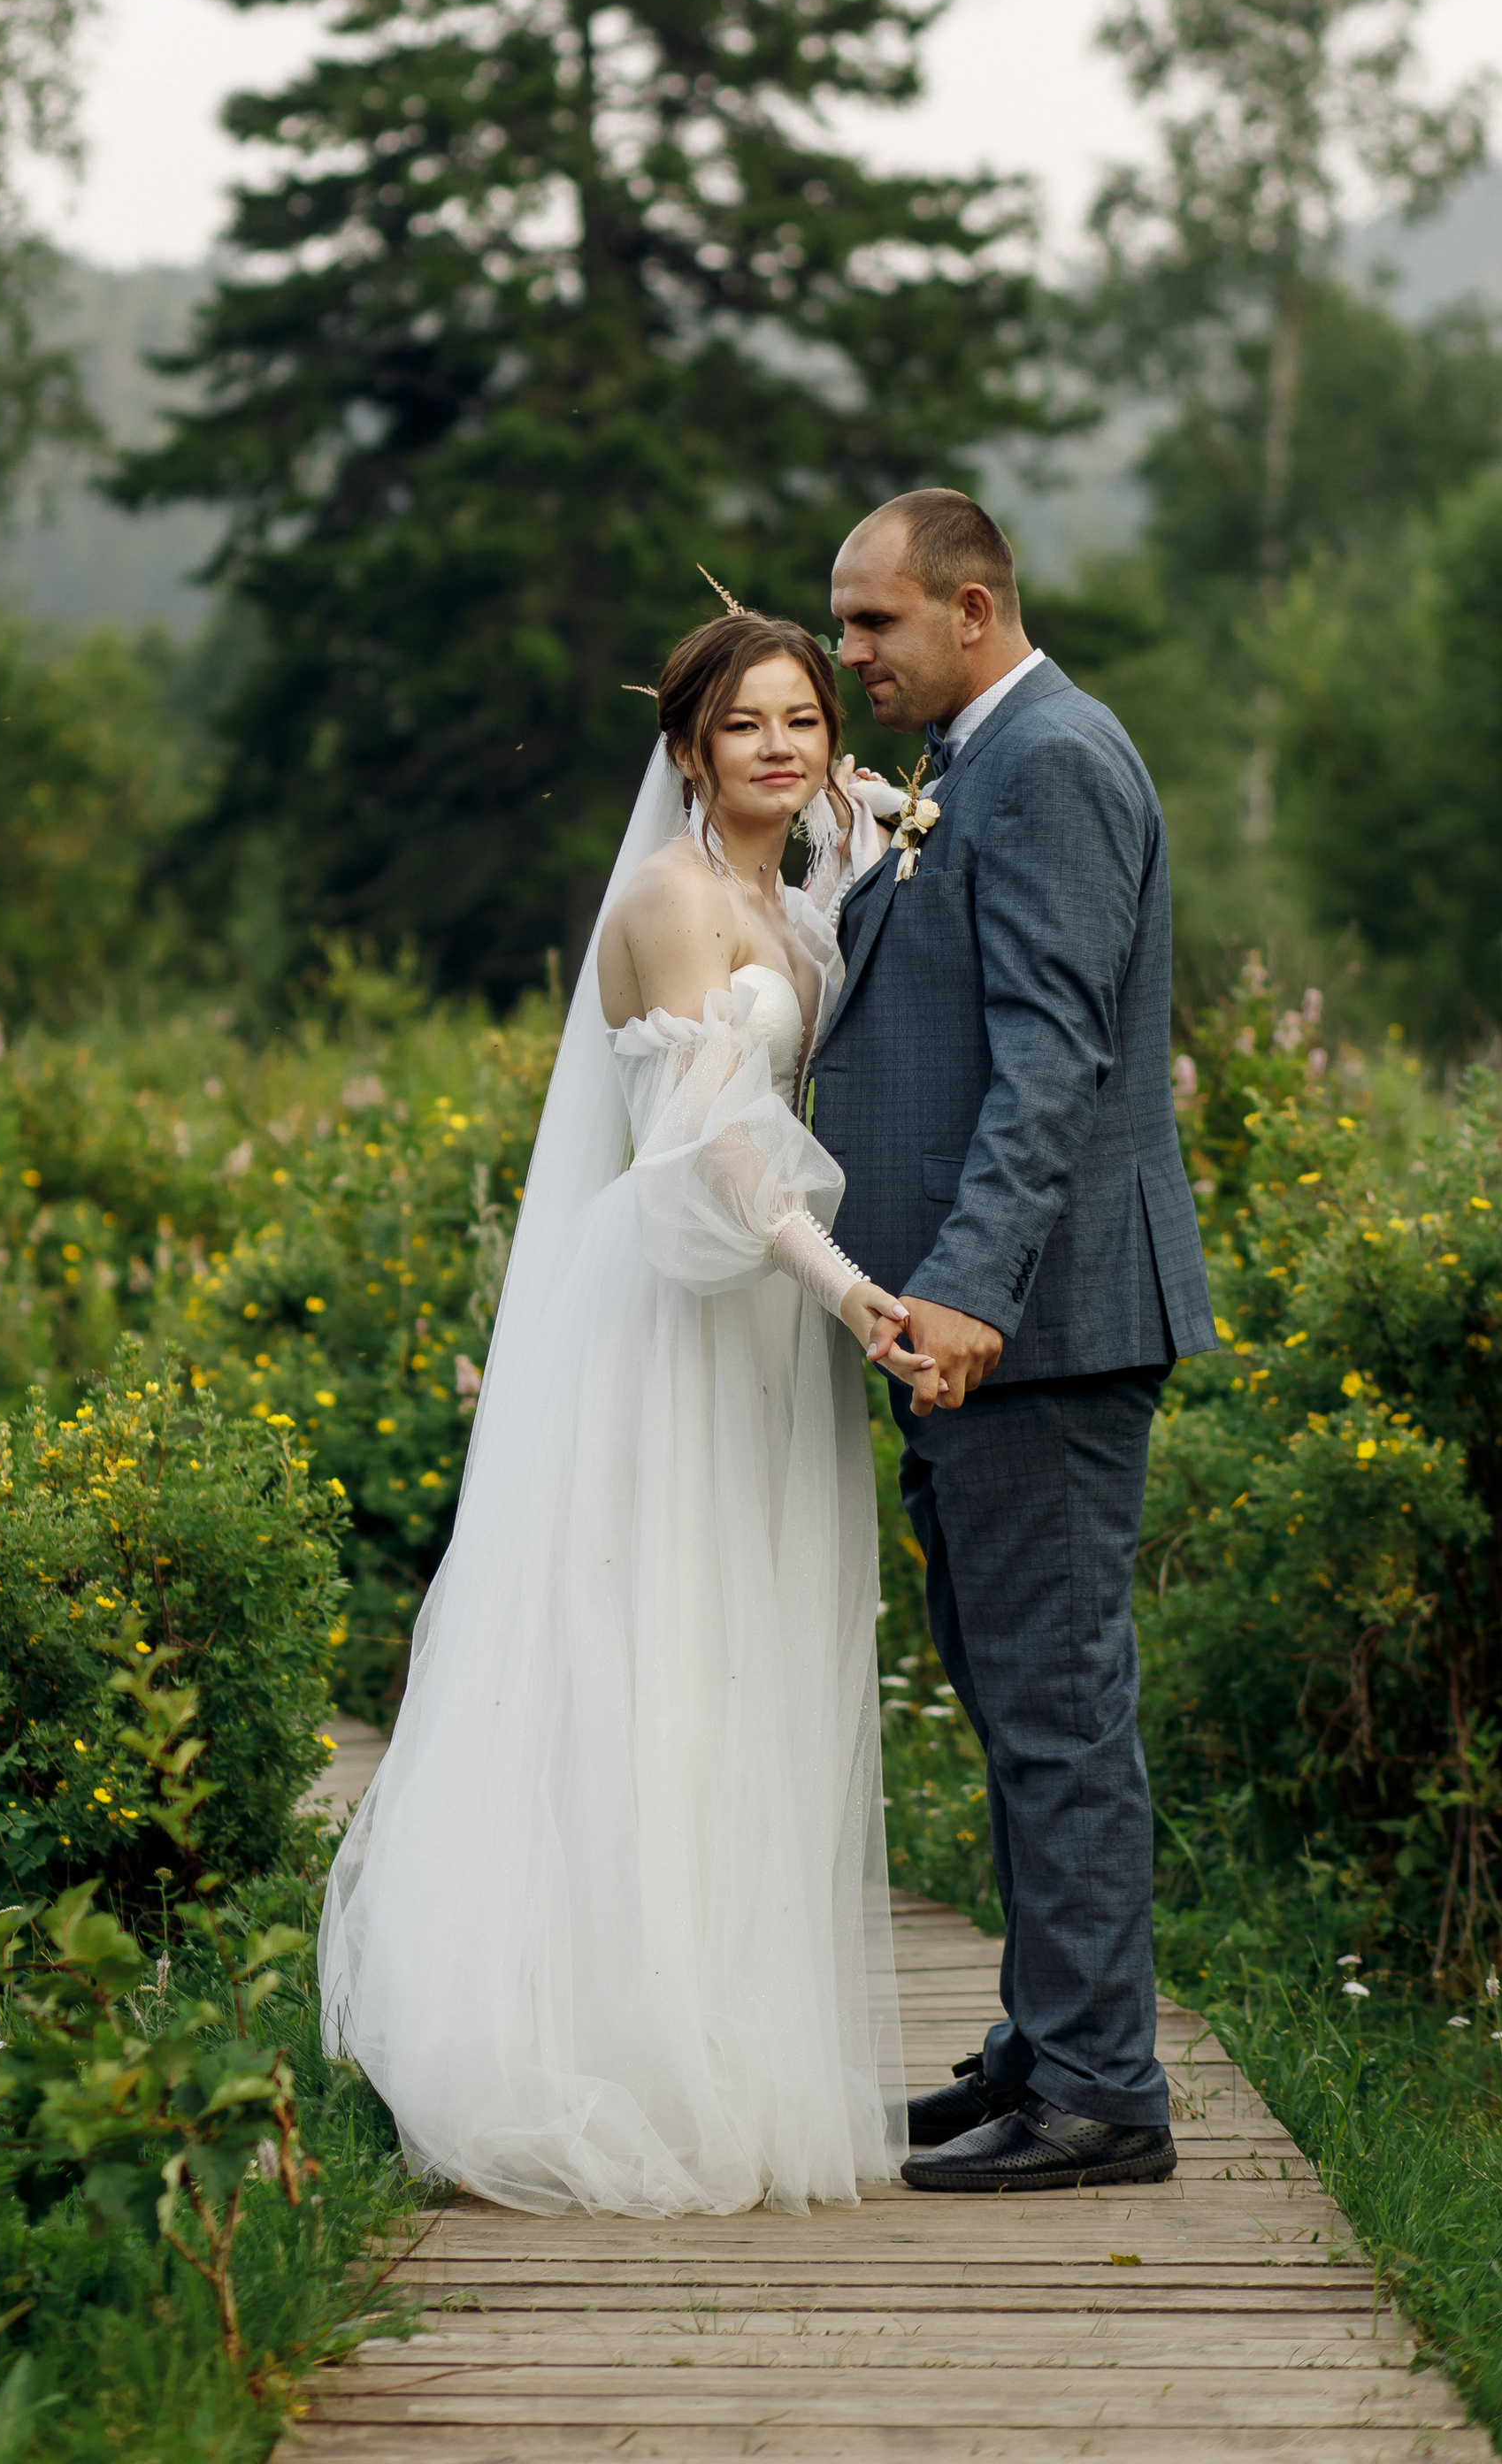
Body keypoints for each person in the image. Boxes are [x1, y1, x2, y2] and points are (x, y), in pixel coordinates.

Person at [317, 605, 937, 2215]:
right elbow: (716, 1150)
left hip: (765, 1334)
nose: (787, 747)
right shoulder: (670, 903)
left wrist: (865, 835)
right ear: (687, 751)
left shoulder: (780, 887)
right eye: (749, 727)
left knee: (756, 1665)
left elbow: (828, 932)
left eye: (805, 719)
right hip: (682, 1316)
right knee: (658, 1653)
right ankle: (620, 2047)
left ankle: (729, 2038)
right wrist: (850, 1290)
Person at [811, 487, 1216, 2195]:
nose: (846, 656)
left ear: (971, 610)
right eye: (840, 623)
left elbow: (1051, 1057)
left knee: (1056, 1706)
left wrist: (969, 1285)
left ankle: (1106, 2091)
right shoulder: (974, 762)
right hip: (980, 1326)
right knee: (1012, 1694)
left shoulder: (1048, 759)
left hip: (1034, 1327)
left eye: (872, 624)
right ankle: (1050, 2041)